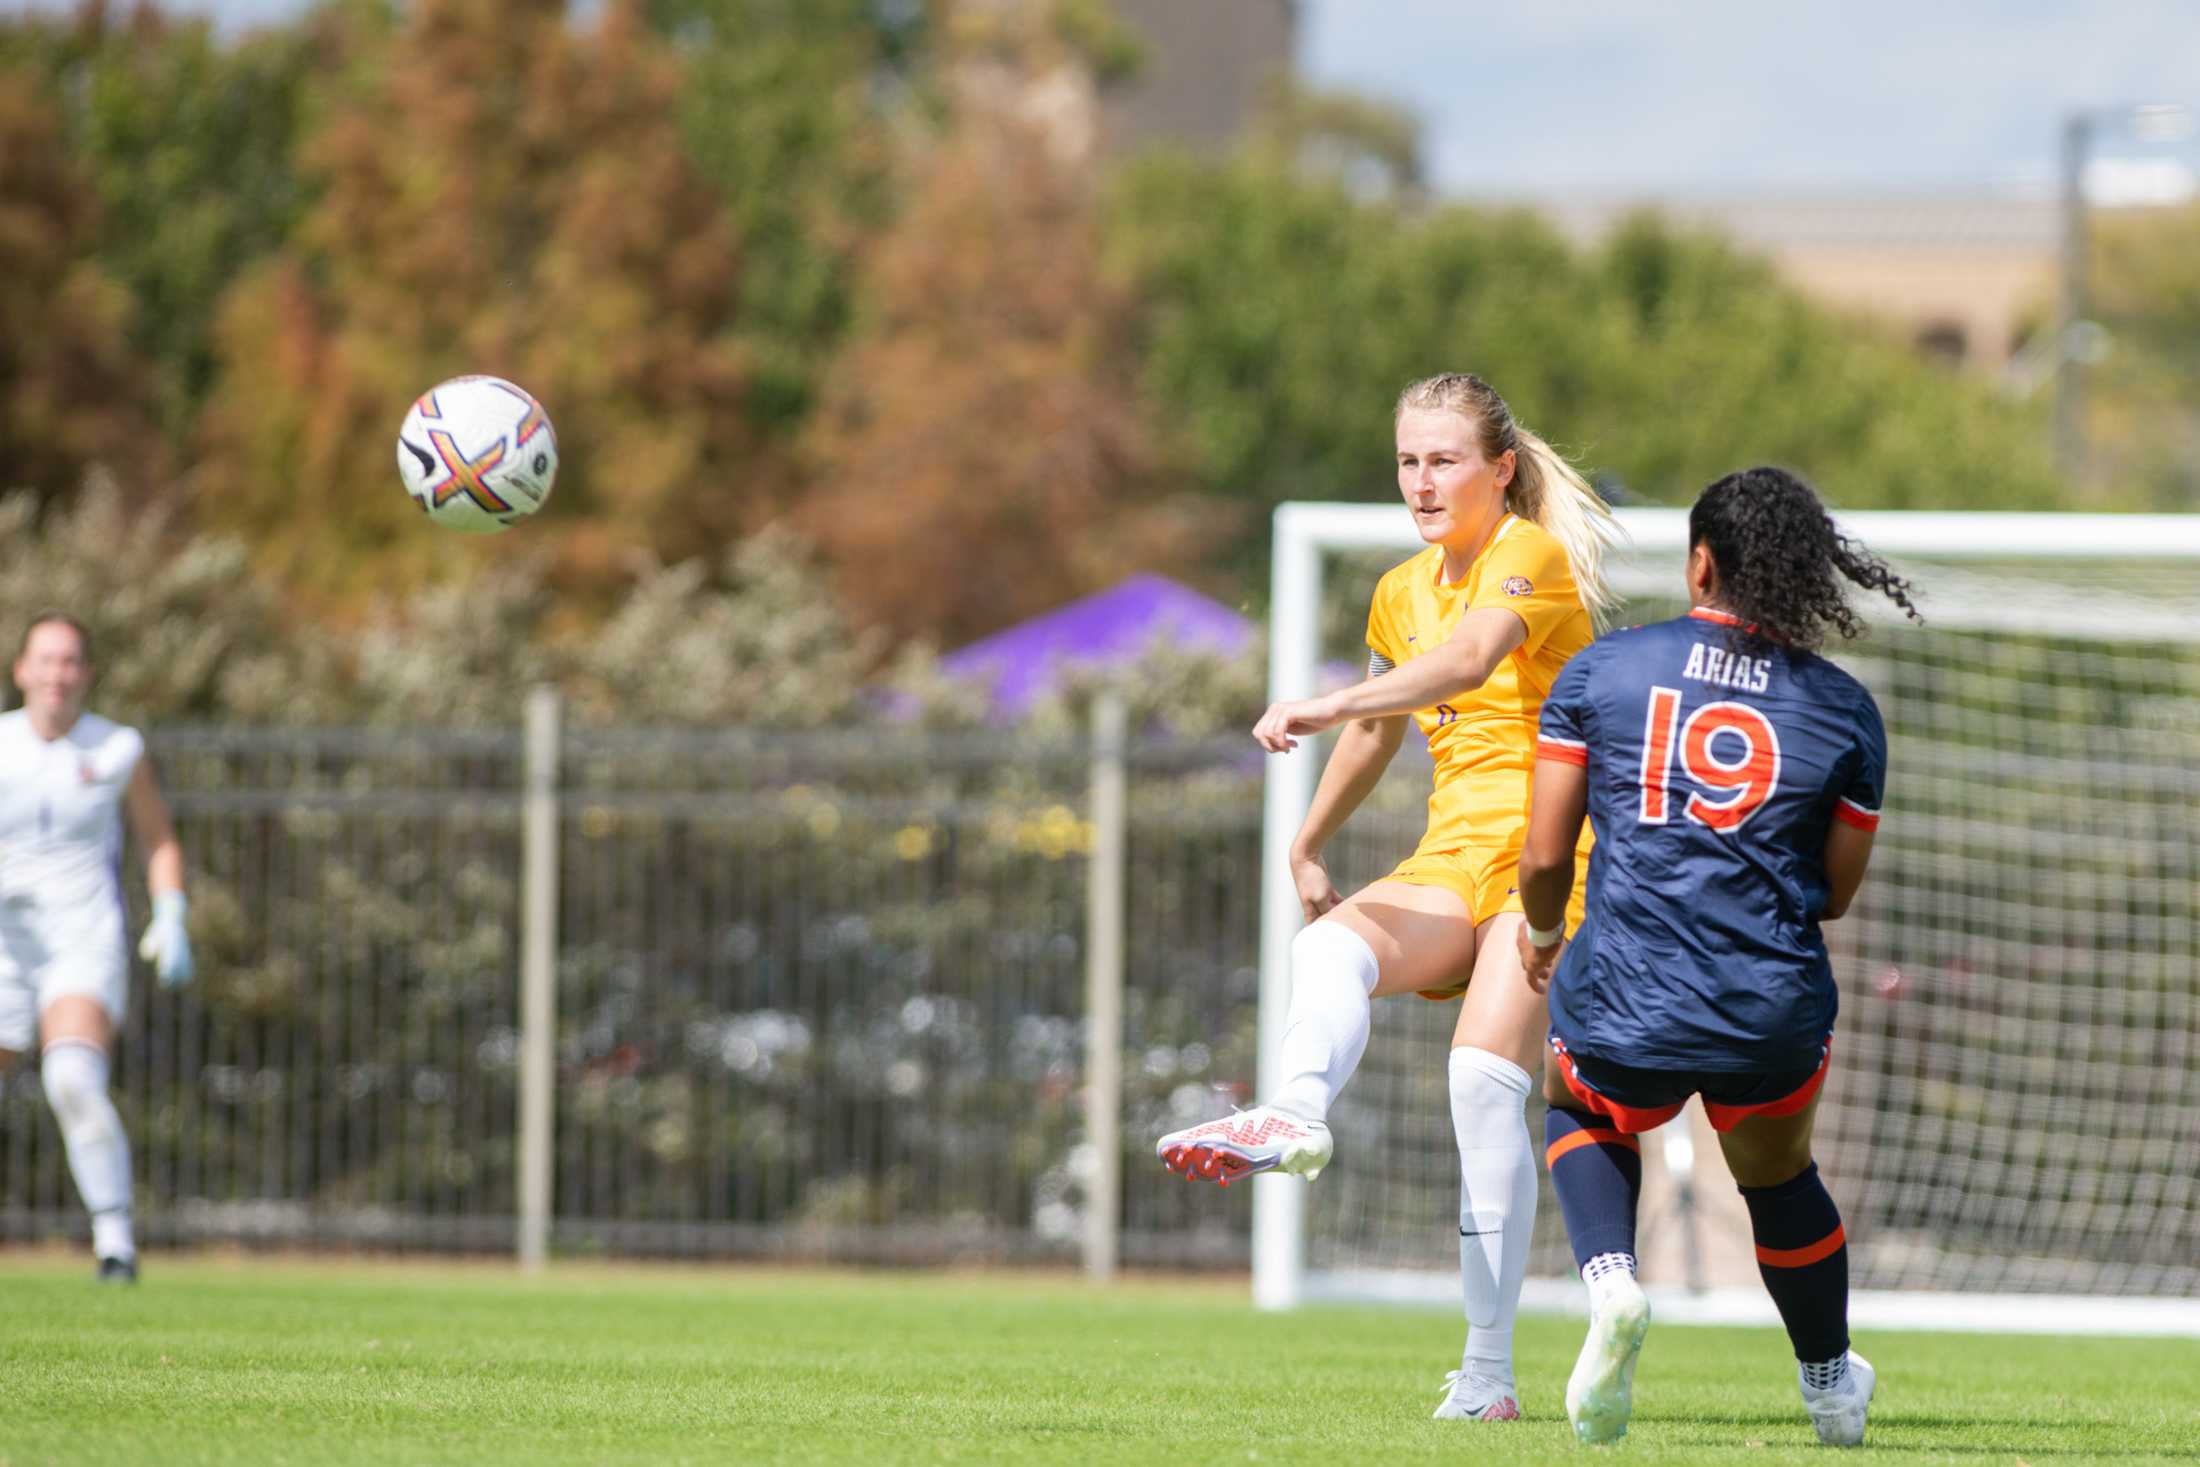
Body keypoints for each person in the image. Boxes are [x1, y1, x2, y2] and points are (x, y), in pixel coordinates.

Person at [1156, 373, 1616, 1421]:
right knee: (1328, 952)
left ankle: (1489, 1377)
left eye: (1444, 458)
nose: (1421, 479)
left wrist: (1322, 698)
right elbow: (1379, 731)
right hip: (1452, 858)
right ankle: (1294, 1118)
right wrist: (1309, 844)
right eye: (1407, 460)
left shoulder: (1527, 558)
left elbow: (1462, 664)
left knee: (1476, 1082)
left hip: (1554, 859)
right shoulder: (1399, 589)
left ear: (1500, 470)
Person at [1514, 466, 1918, 1447]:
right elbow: (1837, 890)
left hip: (1622, 993)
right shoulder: (1843, 710)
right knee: (1777, 1178)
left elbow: (1540, 855)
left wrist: (1539, 932)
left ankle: (1612, 1288)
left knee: (1576, 1103)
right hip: (1765, 1008)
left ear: (1701, 564)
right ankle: (1828, 1385)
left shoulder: (1603, 673)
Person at [0, 613, 193, 1282]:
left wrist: (171, 911)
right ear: (21, 669)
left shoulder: (116, 748)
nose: (58, 673)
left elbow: (157, 837)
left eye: (71, 660)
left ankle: (115, 1246)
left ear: (87, 673)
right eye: (46, 659)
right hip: (3, 944)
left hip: (82, 937)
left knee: (72, 1078)